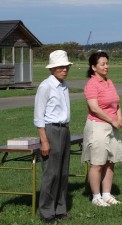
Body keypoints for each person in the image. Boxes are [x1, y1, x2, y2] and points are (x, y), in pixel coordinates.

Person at [34, 50, 73, 223]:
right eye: (60, 67)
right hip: (51, 130)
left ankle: (60, 208)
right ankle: (47, 212)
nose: (64, 70)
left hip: (64, 130)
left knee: (63, 173)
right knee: (51, 173)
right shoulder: (45, 86)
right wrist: (44, 140)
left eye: (66, 67)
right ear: (52, 69)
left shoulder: (64, 86)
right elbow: (39, 116)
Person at [81, 52, 122, 207]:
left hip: (112, 126)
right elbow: (94, 108)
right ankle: (96, 196)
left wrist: (119, 118)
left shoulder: (109, 82)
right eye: (102, 64)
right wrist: (112, 120)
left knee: (111, 161)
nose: (106, 66)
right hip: (98, 126)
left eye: (107, 63)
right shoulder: (91, 84)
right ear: (93, 67)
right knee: (97, 163)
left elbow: (116, 102)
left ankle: (106, 194)